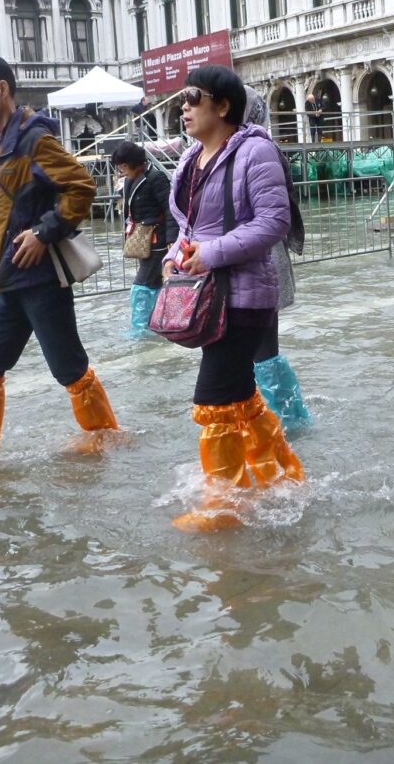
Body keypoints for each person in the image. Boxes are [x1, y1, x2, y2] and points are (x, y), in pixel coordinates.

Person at [0, 54, 118, 464]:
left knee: (68, 366)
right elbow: (21, 194)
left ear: (2, 89)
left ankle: (106, 434)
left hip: (39, 280)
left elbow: (81, 187)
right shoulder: (1, 142)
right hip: (9, 278)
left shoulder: (35, 138)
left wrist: (42, 231)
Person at [163, 65, 305, 532]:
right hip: (206, 293)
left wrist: (210, 254)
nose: (183, 107)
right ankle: (282, 475)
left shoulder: (255, 151)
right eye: (182, 98)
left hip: (244, 297)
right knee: (241, 396)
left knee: (216, 398)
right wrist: (175, 255)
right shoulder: (192, 158)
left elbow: (272, 222)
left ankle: (225, 505)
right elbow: (190, 227)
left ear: (222, 106)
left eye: (192, 97)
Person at [242, 87, 310, 432]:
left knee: (264, 347)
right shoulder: (215, 152)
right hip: (242, 266)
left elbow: (272, 215)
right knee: (256, 350)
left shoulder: (259, 150)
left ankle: (281, 421)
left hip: (261, 262)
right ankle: (276, 418)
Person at [112, 140, 176, 337]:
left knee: (141, 285)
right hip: (142, 240)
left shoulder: (156, 178)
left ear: (136, 163)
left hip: (158, 240)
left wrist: (172, 240)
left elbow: (170, 209)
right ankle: (157, 324)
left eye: (123, 165)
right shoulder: (131, 180)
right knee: (154, 284)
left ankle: (140, 330)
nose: (121, 169)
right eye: (119, 166)